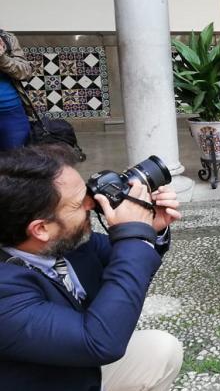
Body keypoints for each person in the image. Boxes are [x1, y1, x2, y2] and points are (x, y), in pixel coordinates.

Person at [0, 145, 183, 391]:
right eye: (78, 204)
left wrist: (150, 229)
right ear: (41, 229)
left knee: (162, 349)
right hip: (42, 380)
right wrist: (134, 237)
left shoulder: (67, 241)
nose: (92, 203)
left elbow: (127, 267)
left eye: (87, 191)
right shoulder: (4, 292)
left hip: (78, 367)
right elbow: (99, 342)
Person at [0, 29, 33, 151]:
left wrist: (3, 59)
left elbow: (25, 72)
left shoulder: (7, 38)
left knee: (16, 163)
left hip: (12, 114)